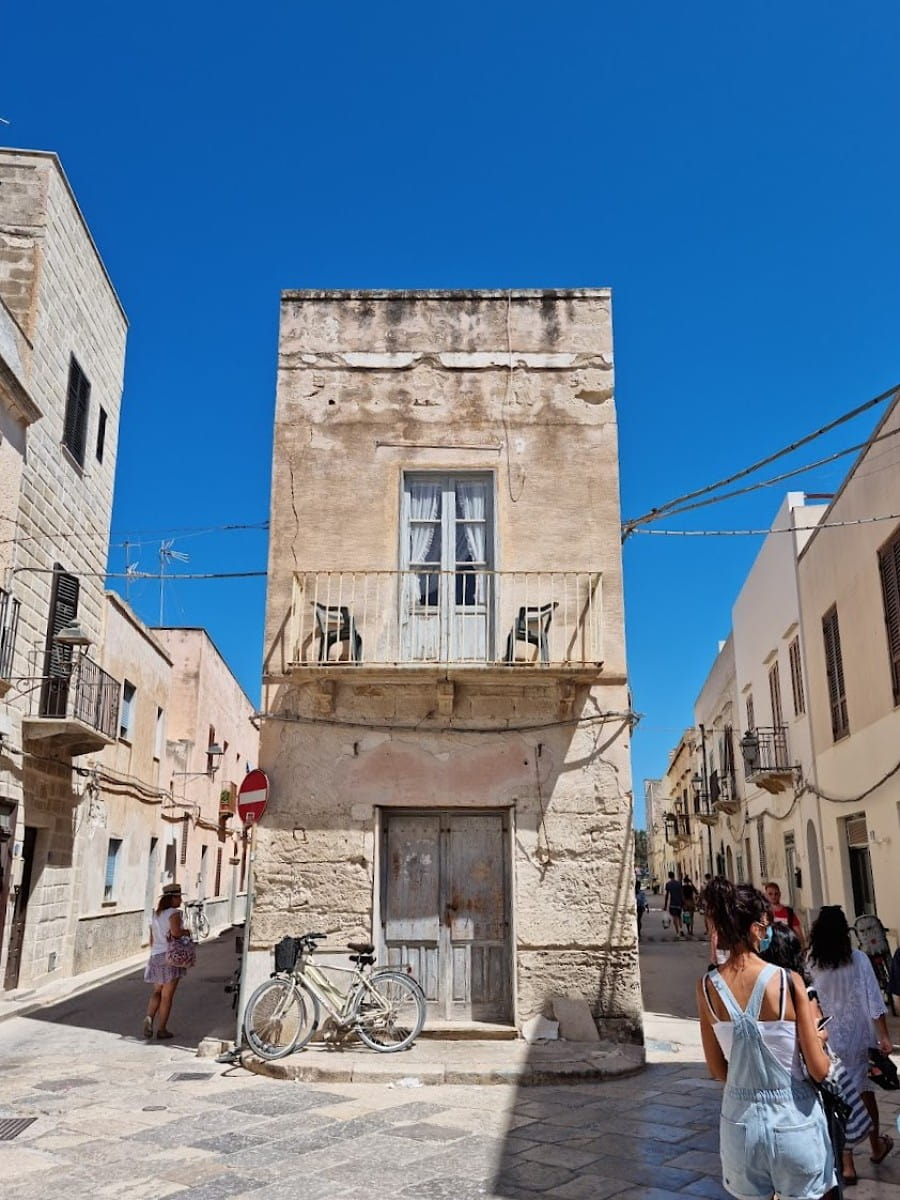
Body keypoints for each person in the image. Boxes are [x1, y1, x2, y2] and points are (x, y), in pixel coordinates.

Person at [697, 876, 835, 1200]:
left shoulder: (706, 987)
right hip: (794, 1122)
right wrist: (820, 1042)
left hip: (739, 1128)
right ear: (758, 928)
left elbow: (718, 1070)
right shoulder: (788, 982)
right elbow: (819, 1069)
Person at [807, 905, 894, 1185]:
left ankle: (846, 1162)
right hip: (858, 1038)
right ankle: (876, 1147)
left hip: (828, 1039)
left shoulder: (811, 961)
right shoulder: (857, 959)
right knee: (864, 1093)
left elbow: (809, 1001)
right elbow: (874, 1001)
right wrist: (884, 1036)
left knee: (839, 1097)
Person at [144, 882, 187, 1040]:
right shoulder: (174, 913)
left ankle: (149, 1017)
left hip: (156, 956)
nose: (180, 900)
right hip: (170, 957)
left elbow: (151, 940)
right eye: (179, 897)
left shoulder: (155, 915)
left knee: (157, 991)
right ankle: (162, 1029)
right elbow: (176, 933)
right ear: (173, 898)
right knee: (167, 996)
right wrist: (186, 932)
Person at [765, 881, 804, 946]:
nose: (773, 896)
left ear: (779, 894)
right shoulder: (763, 913)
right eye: (770, 894)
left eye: (776, 894)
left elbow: (799, 934)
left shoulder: (789, 912)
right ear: (766, 895)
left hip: (788, 949)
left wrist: (802, 947)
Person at [664, 871, 684, 940]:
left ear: (669, 876)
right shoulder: (678, 883)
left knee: (674, 918)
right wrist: (683, 902)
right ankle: (681, 929)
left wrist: (665, 905)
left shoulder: (668, 884)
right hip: (679, 903)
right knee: (679, 916)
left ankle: (677, 932)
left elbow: (667, 895)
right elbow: (681, 893)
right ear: (674, 875)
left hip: (672, 903)